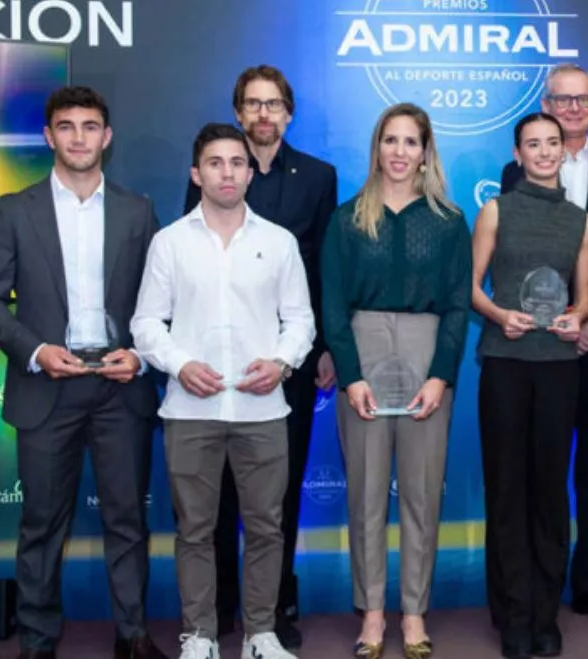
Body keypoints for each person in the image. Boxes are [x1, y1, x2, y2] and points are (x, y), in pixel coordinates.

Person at [0, 85, 167, 659]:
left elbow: (159, 301)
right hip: (44, 387)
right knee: (40, 526)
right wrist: (35, 351)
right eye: (66, 126)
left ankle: (131, 636)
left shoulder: (138, 209)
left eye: (90, 126)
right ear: (48, 136)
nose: (79, 137)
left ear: (107, 136)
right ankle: (37, 641)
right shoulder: (13, 209)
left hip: (118, 387)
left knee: (128, 521)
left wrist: (140, 352)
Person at [132, 123, 313, 659]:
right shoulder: (169, 243)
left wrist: (282, 361)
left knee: (265, 529)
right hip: (191, 410)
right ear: (197, 173)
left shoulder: (278, 243)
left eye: (237, 162)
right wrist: (181, 364)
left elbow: (300, 321)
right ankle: (200, 635)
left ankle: (261, 633)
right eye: (215, 162)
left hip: (263, 412)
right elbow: (146, 324)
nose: (227, 171)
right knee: (195, 532)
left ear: (251, 172)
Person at [183, 65, 338, 648]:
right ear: (239, 110)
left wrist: (319, 348)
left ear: (288, 113)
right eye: (252, 104)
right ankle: (219, 608)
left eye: (274, 104)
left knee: (280, 490)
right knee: (214, 492)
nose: (263, 114)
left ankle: (272, 610)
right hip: (216, 361)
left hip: (286, 362)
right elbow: (190, 256)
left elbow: (325, 266)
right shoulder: (213, 173)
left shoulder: (319, 176)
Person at [320, 102, 471, 659]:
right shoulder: (346, 218)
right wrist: (351, 376)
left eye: (411, 142)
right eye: (391, 140)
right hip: (362, 354)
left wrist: (441, 375)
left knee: (421, 494)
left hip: (428, 354)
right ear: (376, 147)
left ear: (426, 151)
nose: (400, 152)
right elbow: (332, 304)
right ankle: (373, 614)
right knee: (364, 496)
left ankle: (413, 613)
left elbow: (458, 306)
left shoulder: (451, 221)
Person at [499, 63, 588, 626]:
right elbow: (508, 267)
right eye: (561, 100)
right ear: (546, 103)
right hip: (536, 350)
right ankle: (537, 588)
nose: (572, 108)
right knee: (538, 470)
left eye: (582, 98)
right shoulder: (516, 173)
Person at [472, 112, 588, 658]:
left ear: (563, 152)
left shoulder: (583, 221)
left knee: (549, 492)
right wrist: (500, 315)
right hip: (504, 362)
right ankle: (513, 616)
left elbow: (586, 298)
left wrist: (578, 316)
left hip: (558, 367)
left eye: (553, 143)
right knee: (506, 491)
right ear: (517, 154)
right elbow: (472, 288)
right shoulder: (495, 210)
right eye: (533, 145)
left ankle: (547, 614)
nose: (545, 152)